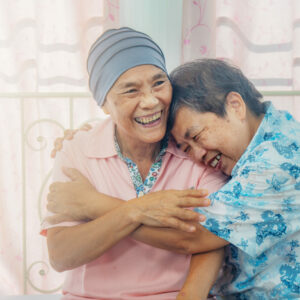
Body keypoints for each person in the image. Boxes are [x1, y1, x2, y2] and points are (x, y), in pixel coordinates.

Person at [49, 58, 300, 299]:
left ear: (235, 106)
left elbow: (196, 236)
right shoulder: (258, 140)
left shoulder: (280, 160)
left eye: (197, 135)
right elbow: (60, 253)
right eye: (186, 147)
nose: (199, 155)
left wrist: (93, 204)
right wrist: (94, 134)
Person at [42, 28, 227, 300]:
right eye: (131, 91)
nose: (151, 101)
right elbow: (60, 255)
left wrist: (95, 205)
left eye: (159, 83)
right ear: (104, 104)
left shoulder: (195, 148)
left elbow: (208, 239)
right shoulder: (76, 151)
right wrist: (136, 210)